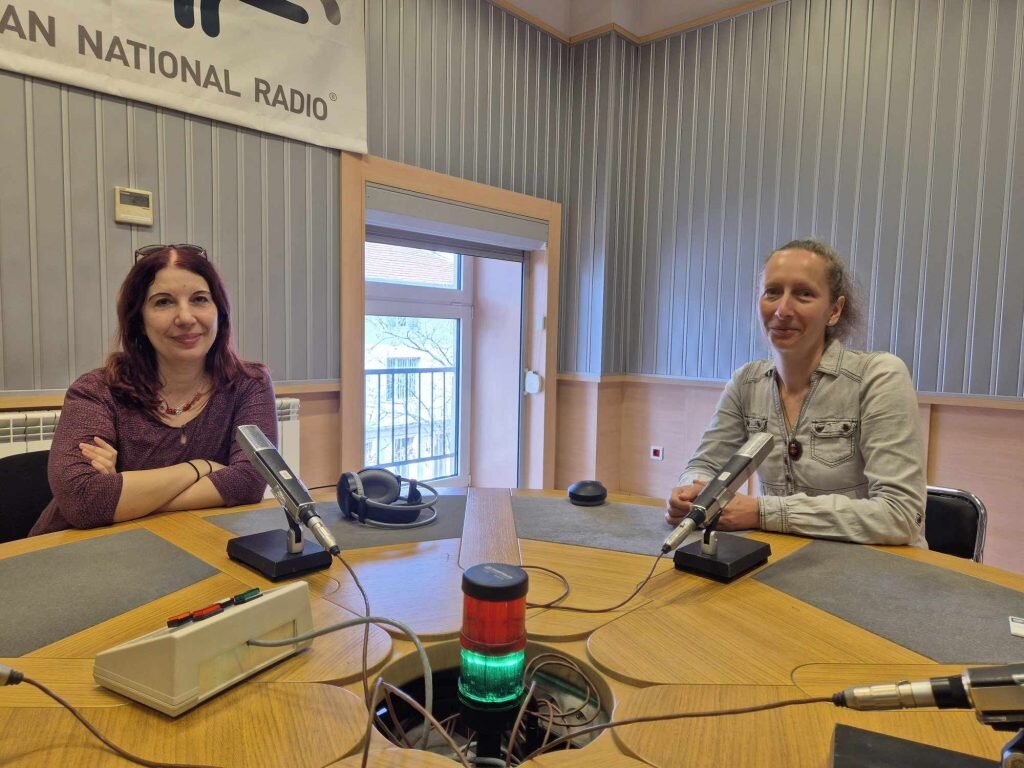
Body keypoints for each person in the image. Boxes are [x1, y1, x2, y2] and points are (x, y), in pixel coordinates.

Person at [666, 239, 926, 547]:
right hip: (784, 560)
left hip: (875, 564)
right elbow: (704, 466)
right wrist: (692, 492)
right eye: (772, 292)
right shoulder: (746, 383)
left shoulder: (879, 376)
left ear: (835, 310)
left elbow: (900, 515)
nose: (782, 310)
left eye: (804, 294)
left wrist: (762, 512)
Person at [30, 244, 277, 536]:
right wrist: (201, 467)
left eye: (199, 299)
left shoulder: (249, 384)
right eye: (163, 302)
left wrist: (125, 492)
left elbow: (250, 481)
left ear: (220, 312)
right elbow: (83, 500)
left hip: (193, 543)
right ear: (139, 320)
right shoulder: (95, 391)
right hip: (76, 549)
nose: (186, 318)